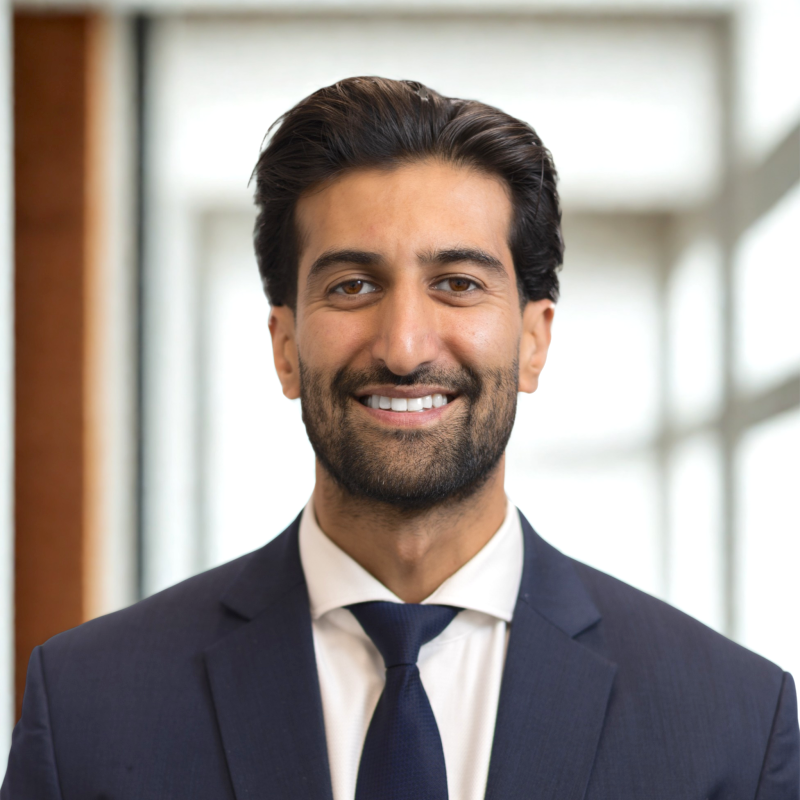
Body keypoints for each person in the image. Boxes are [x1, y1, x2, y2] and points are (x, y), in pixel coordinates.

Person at [2, 76, 798, 800]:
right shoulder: (88, 711)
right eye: (353, 286)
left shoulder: (732, 725)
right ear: (285, 346)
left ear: (533, 341)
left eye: (457, 284)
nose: (405, 346)